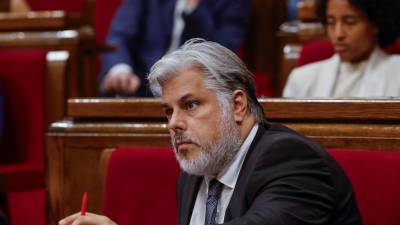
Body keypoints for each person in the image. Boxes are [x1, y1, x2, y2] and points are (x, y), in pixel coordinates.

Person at [59, 39, 362, 225]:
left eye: (190, 105)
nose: (173, 124)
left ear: (238, 105)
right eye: (168, 110)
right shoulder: (195, 173)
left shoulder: (289, 160)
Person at [100, 0, 250, 97]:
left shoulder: (233, 3)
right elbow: (119, 36)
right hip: (139, 83)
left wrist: (194, 9)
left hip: (195, 85)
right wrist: (120, 70)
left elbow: (222, 51)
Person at [283, 0, 400, 98]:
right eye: (331, 22)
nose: (338, 34)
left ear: (375, 24)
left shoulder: (396, 72)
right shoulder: (302, 78)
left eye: (350, 22)